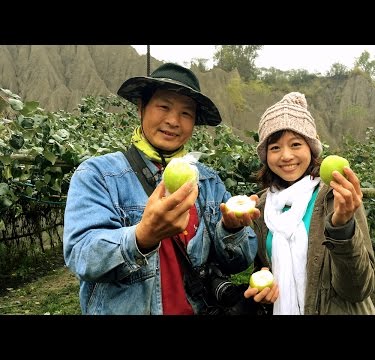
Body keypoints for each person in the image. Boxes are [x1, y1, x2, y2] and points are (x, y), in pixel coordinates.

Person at [63, 63, 259, 315]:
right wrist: (142, 237)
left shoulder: (208, 182)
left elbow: (239, 262)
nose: (173, 121)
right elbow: (81, 255)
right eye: (164, 107)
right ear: (141, 108)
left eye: (186, 114)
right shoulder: (99, 174)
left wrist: (231, 229)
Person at [244, 92, 375, 315]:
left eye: (295, 144)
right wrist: (264, 294)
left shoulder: (336, 196)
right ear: (265, 155)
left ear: (311, 148)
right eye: (275, 147)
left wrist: (343, 227)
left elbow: (357, 289)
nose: (286, 155)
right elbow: (265, 270)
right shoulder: (263, 207)